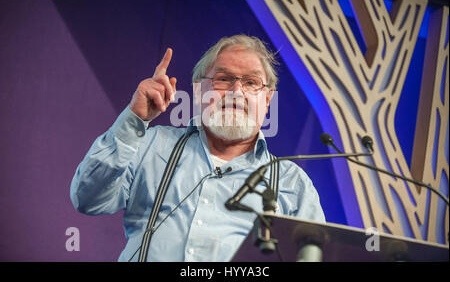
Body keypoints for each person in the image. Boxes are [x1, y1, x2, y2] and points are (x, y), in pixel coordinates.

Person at [70, 34, 325, 262]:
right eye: (223, 79)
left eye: (250, 83)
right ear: (198, 90)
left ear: (267, 100)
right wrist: (134, 120)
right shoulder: (152, 144)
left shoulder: (292, 183)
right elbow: (87, 199)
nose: (237, 91)